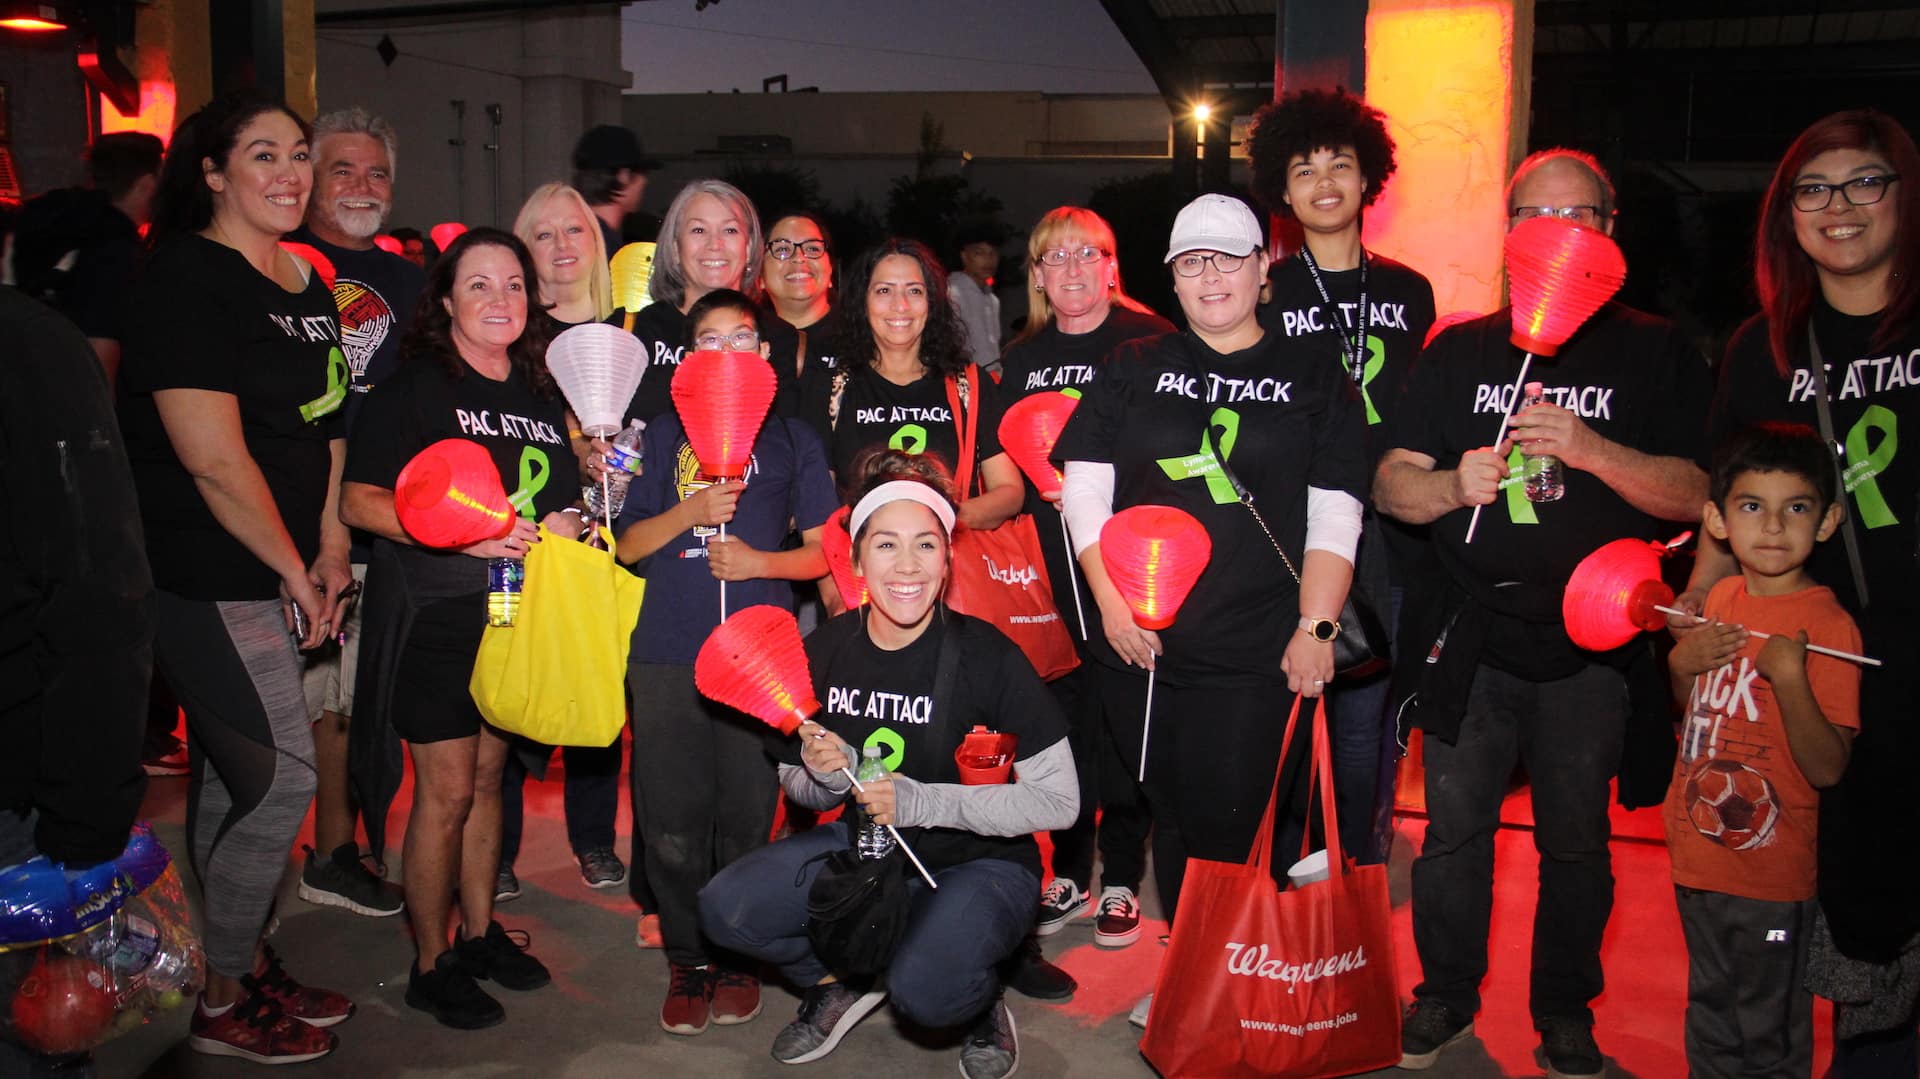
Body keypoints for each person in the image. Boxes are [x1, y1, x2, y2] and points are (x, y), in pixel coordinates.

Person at [1373, 149, 1712, 1076]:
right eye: (1535, 215)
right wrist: (1448, 484)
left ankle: (1565, 1005)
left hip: (1592, 648)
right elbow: (1390, 481)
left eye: (1579, 215)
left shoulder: (1656, 348)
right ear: (1510, 232)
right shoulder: (1460, 348)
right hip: (1472, 629)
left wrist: (1594, 448)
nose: (1557, 233)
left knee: (1577, 838)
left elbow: (1696, 492)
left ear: (1609, 230)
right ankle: (1445, 989)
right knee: (1453, 832)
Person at [1055, 192, 1367, 1029]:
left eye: (1229, 257)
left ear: (1265, 271)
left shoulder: (1313, 373)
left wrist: (1317, 627)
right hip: (1145, 642)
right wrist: (1114, 605)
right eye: (1192, 261)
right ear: (1173, 277)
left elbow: (1336, 511)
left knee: (1233, 822)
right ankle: (1201, 963)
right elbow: (1084, 490)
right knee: (1177, 813)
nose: (1211, 275)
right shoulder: (1135, 362)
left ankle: (1217, 989)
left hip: (1257, 644)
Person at [698, 455, 1077, 1079]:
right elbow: (800, 786)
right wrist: (822, 775)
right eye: (886, 545)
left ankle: (976, 995)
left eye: (926, 544)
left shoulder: (989, 656)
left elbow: (1059, 801)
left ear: (948, 559)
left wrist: (925, 802)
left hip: (979, 861)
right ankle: (839, 981)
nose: (907, 566)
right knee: (726, 908)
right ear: (855, 561)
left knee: (926, 991)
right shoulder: (824, 648)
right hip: (864, 850)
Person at [1682, 108, 1920, 1076]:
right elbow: (1719, 506)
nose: (1840, 206)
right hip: (1826, 656)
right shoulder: (1762, 347)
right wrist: (1695, 624)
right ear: (1787, 217)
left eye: (1866, 181)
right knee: (1865, 895)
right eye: (1814, 190)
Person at [118, 90, 354, 1064]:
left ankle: (240, 952)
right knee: (281, 774)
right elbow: (215, 458)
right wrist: (295, 568)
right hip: (207, 569)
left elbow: (329, 423)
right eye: (264, 155)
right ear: (211, 172)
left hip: (291, 561)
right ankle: (220, 993)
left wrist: (334, 544)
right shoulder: (186, 278)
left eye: (299, 153)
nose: (291, 173)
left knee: (234, 770)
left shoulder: (305, 278)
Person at [341, 228, 577, 1030]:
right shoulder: (413, 390)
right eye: (479, 285)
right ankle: (428, 960)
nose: (499, 300)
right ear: (445, 301)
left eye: (513, 284)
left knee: (486, 782)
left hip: (516, 614)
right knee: (442, 793)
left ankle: (478, 936)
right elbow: (360, 501)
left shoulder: (545, 396)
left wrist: (572, 526)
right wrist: (462, 533)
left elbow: (564, 502)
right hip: (439, 613)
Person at [614, 289, 838, 1036]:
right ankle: (689, 957)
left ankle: (738, 948)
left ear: (766, 356)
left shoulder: (793, 439)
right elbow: (626, 545)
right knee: (671, 822)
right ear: (684, 361)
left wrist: (755, 560)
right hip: (665, 650)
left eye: (742, 339)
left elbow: (822, 550)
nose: (727, 355)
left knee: (747, 815)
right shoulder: (658, 436)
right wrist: (689, 511)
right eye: (708, 341)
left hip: (761, 656)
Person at [1247, 87, 1437, 865]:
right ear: (1282, 191)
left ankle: (1352, 875)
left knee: (1363, 727)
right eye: (1304, 169)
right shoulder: (1266, 289)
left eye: (1340, 165)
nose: (1324, 181)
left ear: (1369, 179)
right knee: (1283, 723)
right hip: (1291, 537)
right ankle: (1281, 878)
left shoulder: (1408, 289)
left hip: (1387, 538)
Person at [1665, 422, 1861, 1078]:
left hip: (1770, 882)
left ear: (1827, 521)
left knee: (1769, 1038)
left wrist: (1791, 678)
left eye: (1796, 508)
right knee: (1712, 1019)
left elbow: (1828, 766)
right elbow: (1694, 720)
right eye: (1752, 506)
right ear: (1718, 520)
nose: (1773, 526)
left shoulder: (1828, 626)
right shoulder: (1721, 598)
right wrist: (1681, 666)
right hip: (1699, 864)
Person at [999, 207, 1171, 954]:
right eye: (1053, 256)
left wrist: (1100, 485)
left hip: (1124, 563)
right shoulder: (1020, 358)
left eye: (1086, 253)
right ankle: (1068, 865)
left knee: (1127, 720)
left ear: (1111, 265)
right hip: (1045, 573)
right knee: (1062, 727)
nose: (1070, 268)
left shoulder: (1151, 342)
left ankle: (1124, 875)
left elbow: (1173, 448)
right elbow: (1007, 465)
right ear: (1036, 275)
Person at [0, 284, 151, 1079]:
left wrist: (86, 821)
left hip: (14, 799)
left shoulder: (25, 346)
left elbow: (96, 591)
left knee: (35, 1037)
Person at [286, 105, 422, 921]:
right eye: (343, 170)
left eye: (376, 173)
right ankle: (332, 851)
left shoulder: (413, 282)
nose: (362, 186)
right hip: (307, 523)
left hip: (396, 523)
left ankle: (357, 845)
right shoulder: (280, 268)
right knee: (326, 702)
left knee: (375, 702)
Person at [496, 182, 627, 897]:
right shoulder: (513, 335)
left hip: (615, 539)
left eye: (573, 230)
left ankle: (594, 839)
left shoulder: (630, 328)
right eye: (542, 235)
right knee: (526, 691)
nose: (561, 246)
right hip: (533, 537)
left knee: (599, 693)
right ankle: (503, 849)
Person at [800, 238, 1024, 535]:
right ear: (861, 301)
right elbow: (817, 505)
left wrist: (941, 521)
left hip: (949, 569)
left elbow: (1009, 491)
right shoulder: (831, 388)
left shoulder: (967, 383)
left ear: (932, 303)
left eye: (914, 291)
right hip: (857, 572)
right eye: (884, 291)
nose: (900, 305)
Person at [622, 179, 801, 426]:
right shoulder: (633, 331)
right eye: (698, 230)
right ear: (675, 249)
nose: (714, 245)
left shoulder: (781, 338)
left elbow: (787, 441)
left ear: (748, 248)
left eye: (730, 230)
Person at [9, 131, 162, 386]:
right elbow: (100, 350)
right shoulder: (115, 249)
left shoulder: (63, 225)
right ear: (147, 184)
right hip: (71, 400)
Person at [761, 212, 838, 373]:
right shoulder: (744, 342)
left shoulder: (865, 336)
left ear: (830, 269)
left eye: (812, 248)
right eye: (782, 248)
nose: (799, 257)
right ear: (759, 276)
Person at [570, 124, 660, 257]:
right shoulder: (607, 248)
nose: (645, 181)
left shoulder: (571, 237)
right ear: (623, 177)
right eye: (642, 172)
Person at [949, 223, 1004, 377]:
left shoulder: (992, 300)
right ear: (964, 256)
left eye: (992, 253)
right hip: (965, 380)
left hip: (993, 380)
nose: (988, 260)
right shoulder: (952, 294)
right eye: (979, 253)